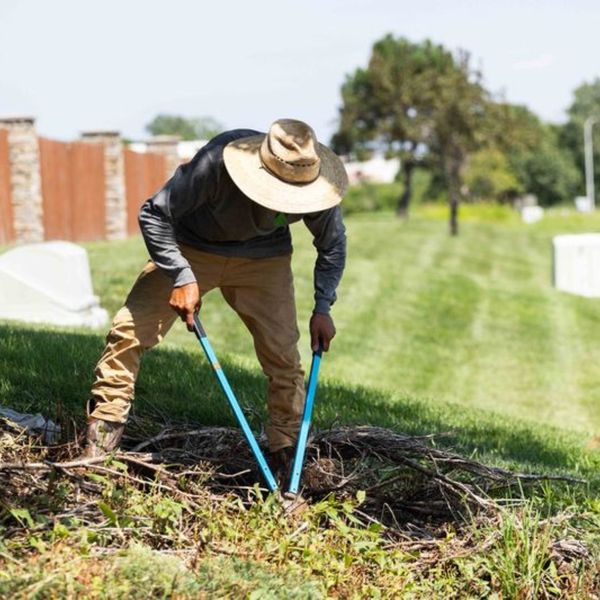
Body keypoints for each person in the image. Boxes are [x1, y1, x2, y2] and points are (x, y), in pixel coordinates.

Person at [81, 118, 348, 478]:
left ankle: (286, 459)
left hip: (264, 258)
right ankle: (100, 444)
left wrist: (323, 307)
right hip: (193, 247)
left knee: (284, 358)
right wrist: (181, 275)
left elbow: (332, 245)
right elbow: (155, 213)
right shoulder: (217, 163)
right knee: (128, 331)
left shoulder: (312, 183)